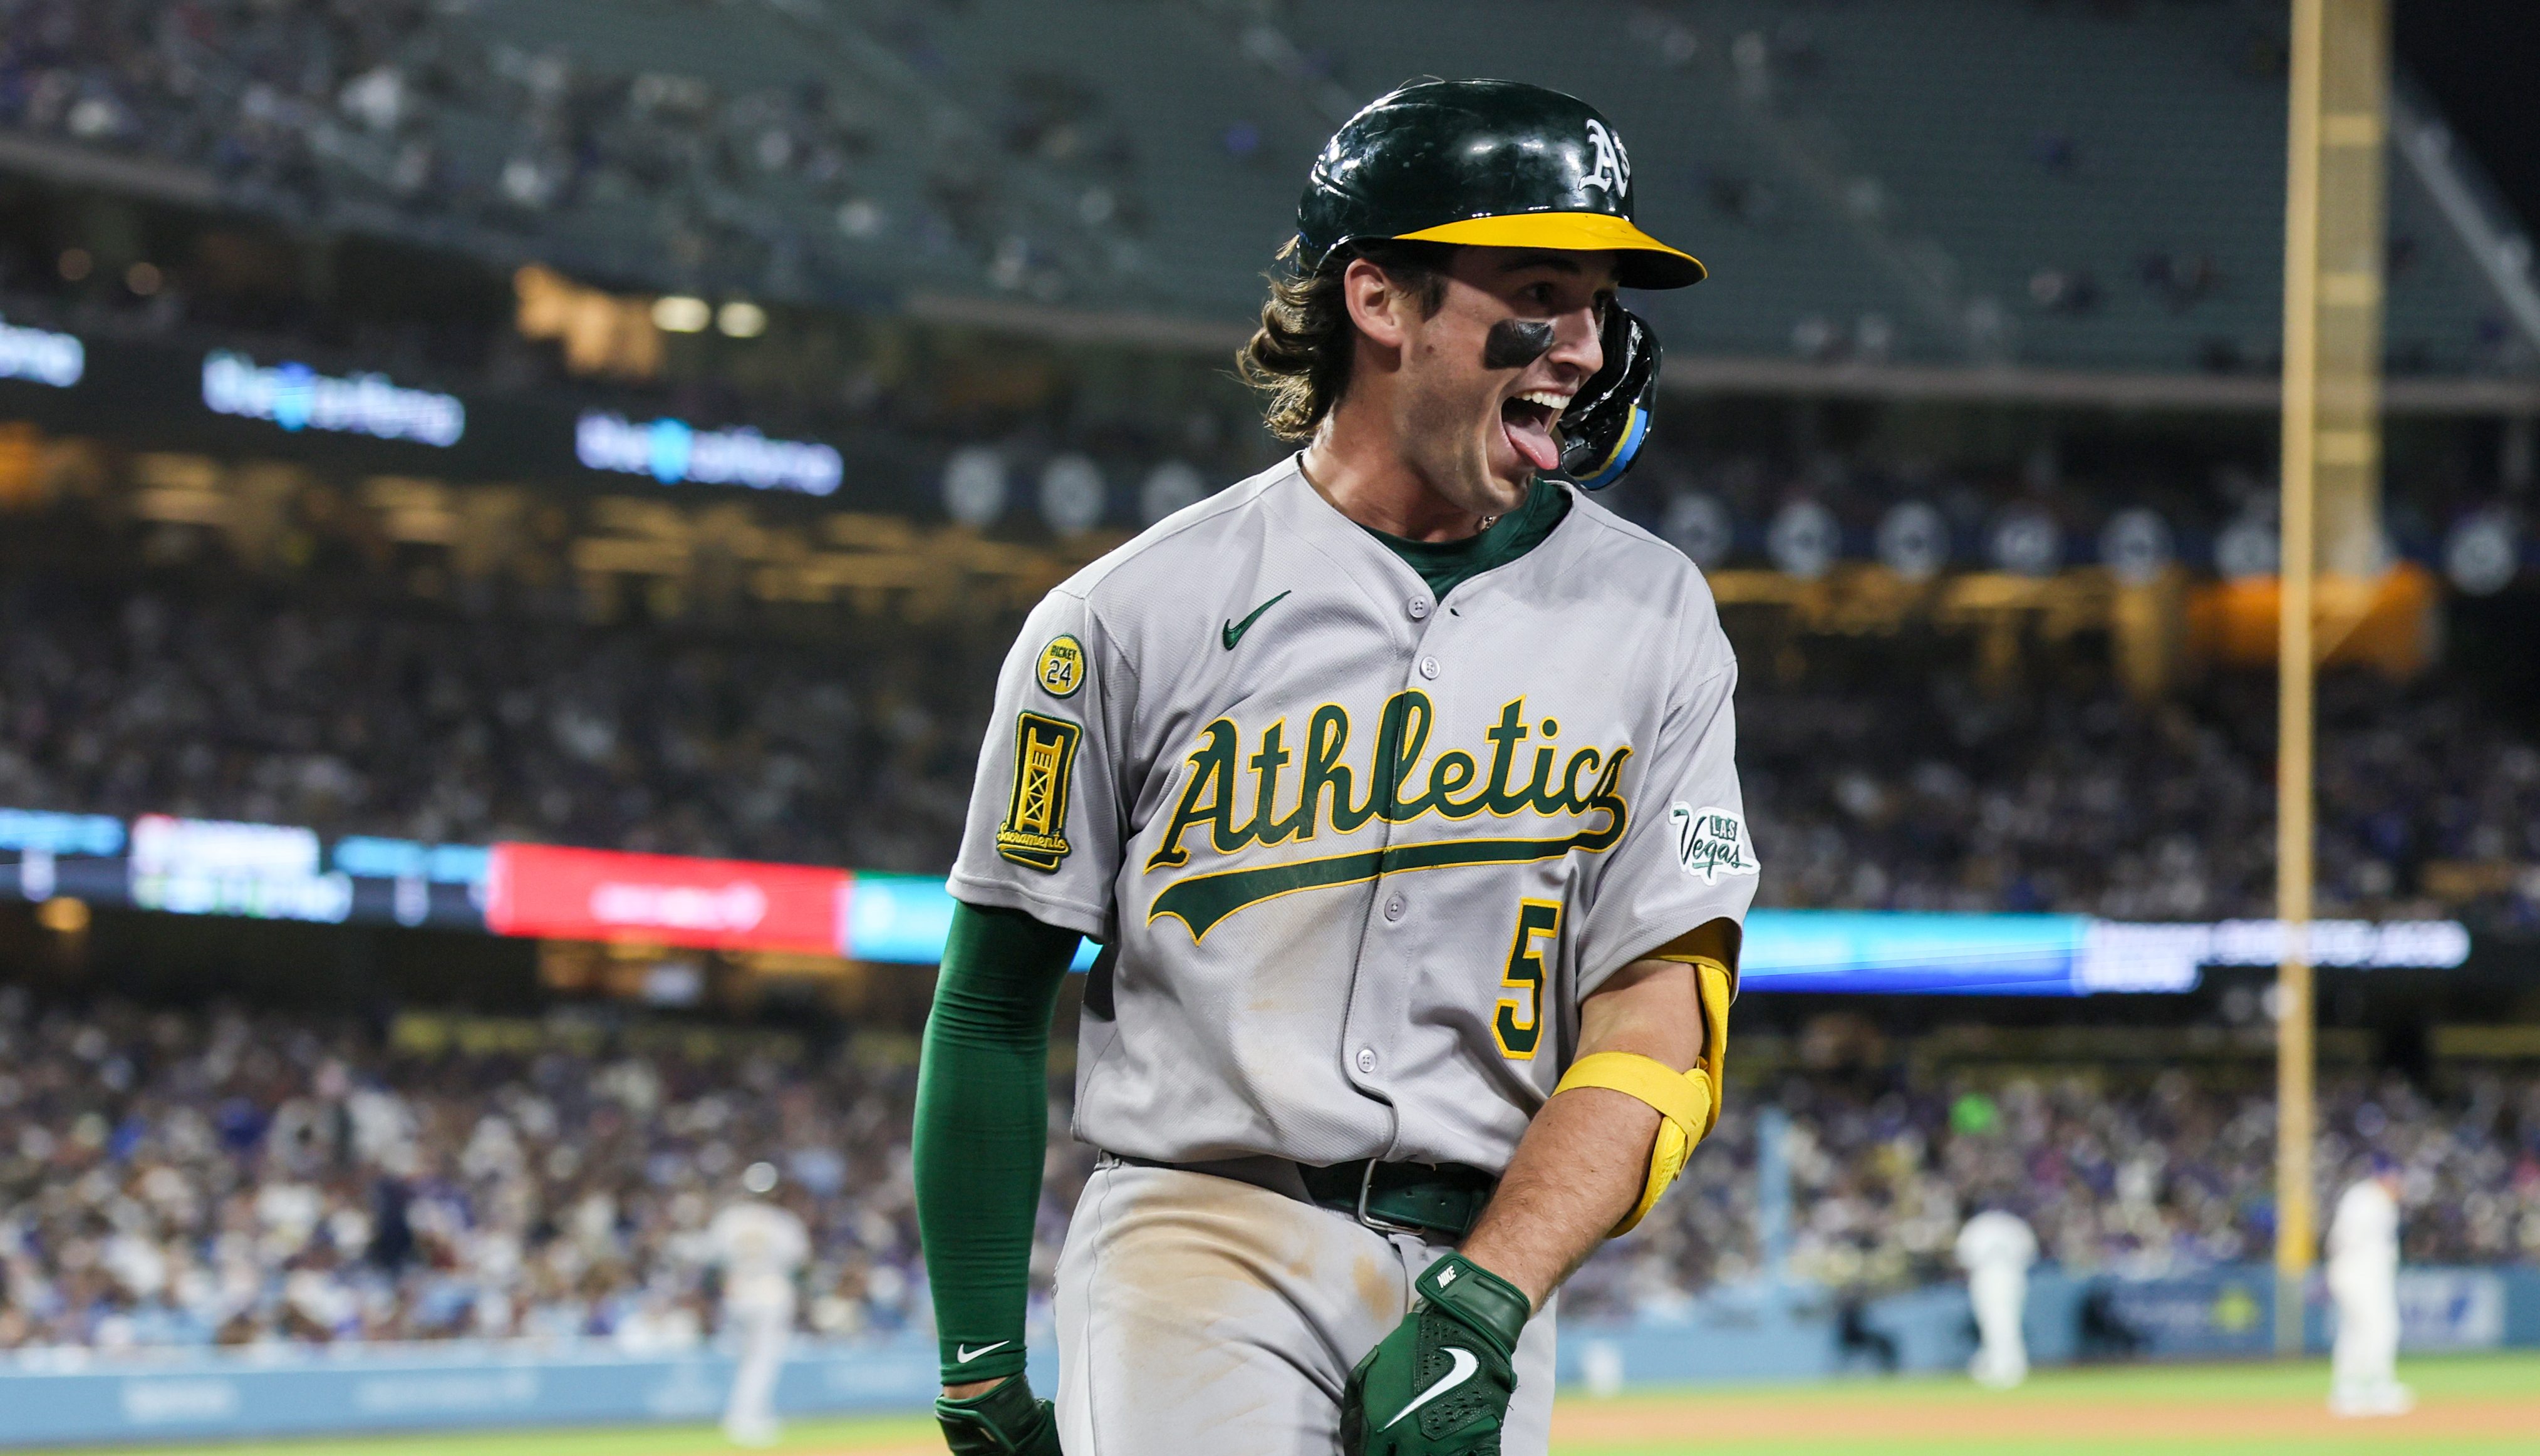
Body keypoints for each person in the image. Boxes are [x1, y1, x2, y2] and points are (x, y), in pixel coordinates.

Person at [913, 77, 1751, 1456]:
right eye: (1538, 293)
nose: (1585, 349)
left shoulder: (1655, 614)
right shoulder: (1126, 614)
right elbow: (991, 1005)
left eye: (1603, 306)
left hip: (1491, 1248)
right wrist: (977, 1364)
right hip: (1197, 1230)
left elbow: (1659, 1018)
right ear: (1378, 300)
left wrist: (1490, 1296)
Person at [708, 1162, 810, 1446]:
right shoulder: (782, 1222)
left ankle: (750, 1414)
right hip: (771, 1293)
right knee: (763, 1360)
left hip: (737, 1293)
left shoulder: (729, 1220)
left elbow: (714, 1263)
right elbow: (799, 1263)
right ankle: (746, 1420)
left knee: (745, 1360)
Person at [2325, 1154, 2411, 1418]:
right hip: (2359, 1272)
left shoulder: (2372, 1199)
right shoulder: (2367, 1198)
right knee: (2381, 1328)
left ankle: (2347, 1391)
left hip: (2357, 1272)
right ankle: (2378, 1388)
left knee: (2355, 1332)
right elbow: (2346, 1238)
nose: (2400, 1186)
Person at [1954, 1206, 2038, 1389]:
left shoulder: (1977, 1226)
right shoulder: (2015, 1226)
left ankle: (2007, 1368)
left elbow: (1964, 1257)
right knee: (2002, 1323)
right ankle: (2001, 1365)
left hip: (1989, 1277)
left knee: (1999, 1324)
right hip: (2010, 1276)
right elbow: (2030, 1254)